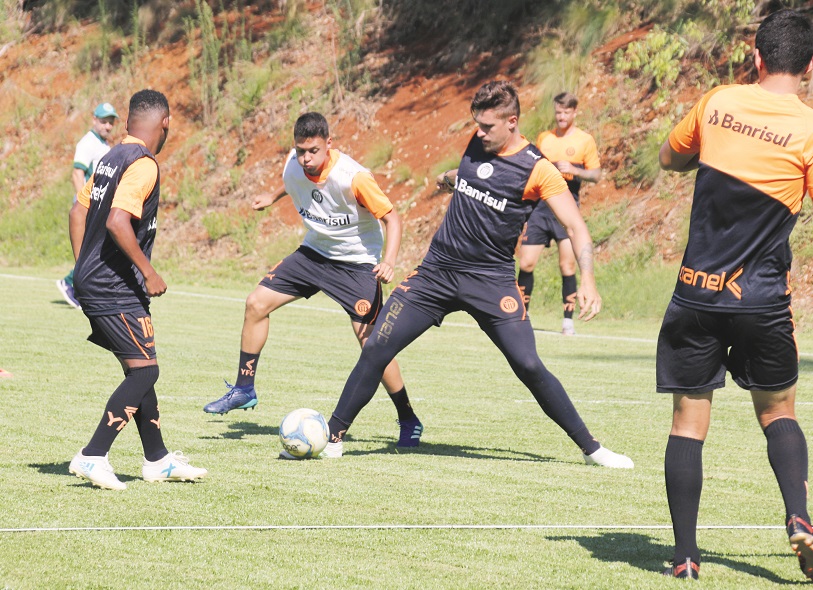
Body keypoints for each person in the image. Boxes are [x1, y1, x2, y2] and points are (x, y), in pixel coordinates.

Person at [320, 80, 632, 469]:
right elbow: (476, 176)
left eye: (487, 126)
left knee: (529, 365)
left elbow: (576, 227)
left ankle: (592, 449)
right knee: (377, 347)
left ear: (512, 121)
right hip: (436, 273)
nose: (479, 133)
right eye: (477, 125)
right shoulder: (477, 143)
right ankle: (332, 438)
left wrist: (588, 280)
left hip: (491, 281)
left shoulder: (538, 169)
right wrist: (452, 178)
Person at [657, 9, 813, 580]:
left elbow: (670, 158)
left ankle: (685, 558)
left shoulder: (717, 102)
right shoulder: (808, 129)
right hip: (761, 300)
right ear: (810, 68)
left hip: (696, 294)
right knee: (778, 411)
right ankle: (799, 516)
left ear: (757, 56)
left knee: (687, 424)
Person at [202, 112, 423, 450]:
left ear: (329, 144)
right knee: (256, 304)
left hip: (356, 265)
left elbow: (392, 218)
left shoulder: (354, 178)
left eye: (313, 151)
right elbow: (294, 180)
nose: (306, 158)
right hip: (313, 254)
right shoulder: (294, 164)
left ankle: (408, 418)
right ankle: (244, 388)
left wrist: (389, 261)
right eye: (300, 150)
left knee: (372, 344)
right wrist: (272, 197)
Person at [67, 89, 207, 490]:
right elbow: (116, 221)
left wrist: (82, 268)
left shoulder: (110, 157)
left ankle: (157, 459)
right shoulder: (143, 164)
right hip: (115, 286)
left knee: (138, 368)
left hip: (99, 281)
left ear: (128, 122)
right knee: (147, 370)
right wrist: (148, 272)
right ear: (166, 123)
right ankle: (93, 454)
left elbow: (77, 211)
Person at [517, 92, 601, 335]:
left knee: (567, 265)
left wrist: (575, 170)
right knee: (526, 262)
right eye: (558, 112)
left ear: (574, 112)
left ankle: (568, 321)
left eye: (566, 112)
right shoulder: (545, 138)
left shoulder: (585, 140)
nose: (561, 116)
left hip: (566, 207)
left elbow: (596, 174)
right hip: (540, 208)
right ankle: (522, 315)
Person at [57, 102, 119, 310]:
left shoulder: (103, 144)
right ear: (94, 120)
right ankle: (69, 283)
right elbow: (77, 173)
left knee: (99, 250)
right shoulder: (88, 143)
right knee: (91, 251)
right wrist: (84, 205)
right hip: (89, 207)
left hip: (98, 207)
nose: (108, 126)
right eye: (104, 121)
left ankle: (86, 288)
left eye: (110, 122)